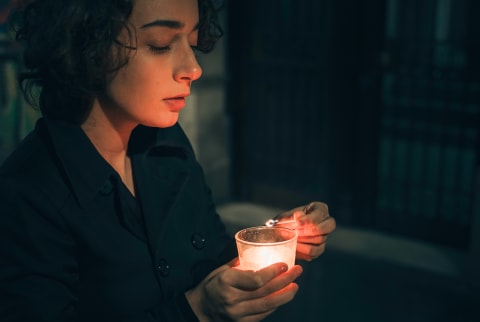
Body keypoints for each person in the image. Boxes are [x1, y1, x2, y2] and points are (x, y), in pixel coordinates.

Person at [0, 0, 337, 321]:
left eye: (192, 42)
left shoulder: (166, 145)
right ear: (87, 45)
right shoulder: (28, 193)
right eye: (161, 44)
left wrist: (269, 242)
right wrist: (197, 312)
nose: (194, 69)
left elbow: (206, 264)